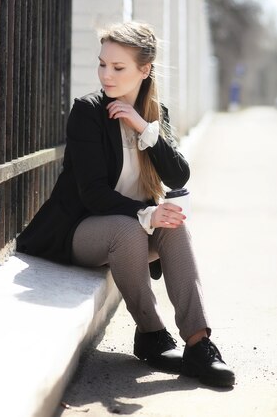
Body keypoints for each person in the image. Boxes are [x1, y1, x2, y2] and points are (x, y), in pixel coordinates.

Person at [17, 21, 235, 388]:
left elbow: (178, 176)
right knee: (130, 229)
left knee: (173, 222)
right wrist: (147, 213)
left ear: (144, 70)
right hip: (81, 230)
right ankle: (151, 334)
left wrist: (143, 127)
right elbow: (93, 195)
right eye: (103, 64)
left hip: (134, 228)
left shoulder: (155, 113)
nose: (106, 74)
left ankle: (199, 344)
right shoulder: (87, 112)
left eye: (118, 67)